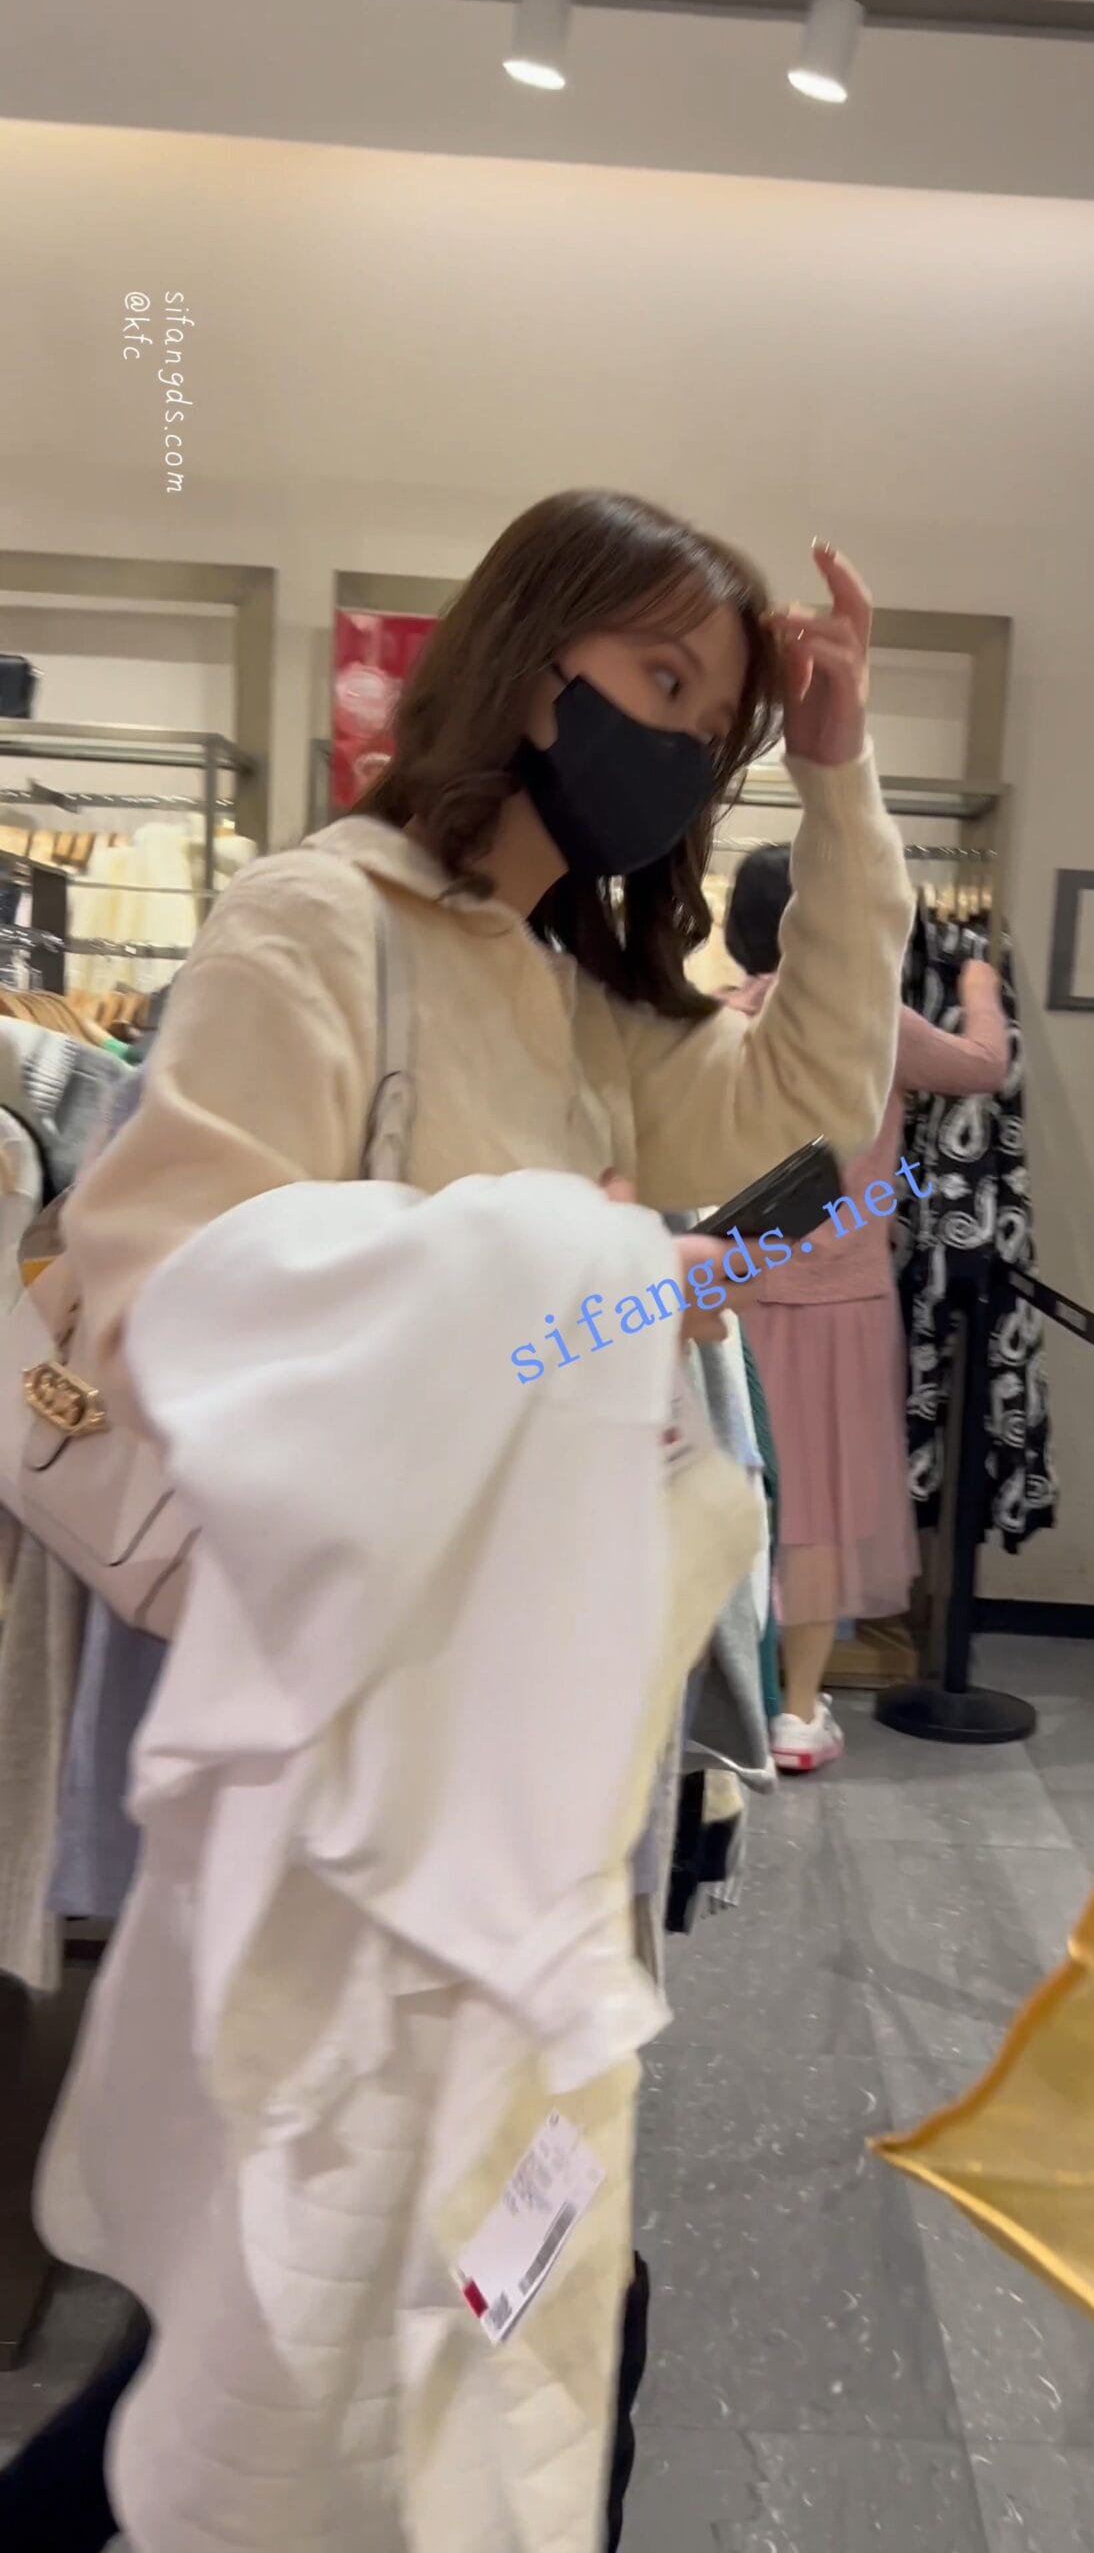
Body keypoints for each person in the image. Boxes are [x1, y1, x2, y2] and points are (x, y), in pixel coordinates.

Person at [0, 491, 916, 2550]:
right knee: (373, 2337)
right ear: (528, 657)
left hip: (506, 1774)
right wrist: (569, 1280)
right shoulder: (315, 924)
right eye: (658, 680)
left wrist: (842, 779)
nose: (679, 746)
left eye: (715, 726)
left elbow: (812, 1101)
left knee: (428, 2325)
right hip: (350, 1778)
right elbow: (163, 1296)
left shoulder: (563, 987)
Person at [721, 846, 1008, 1773]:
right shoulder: (872, 1019)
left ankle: (727, 1694)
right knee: (818, 1507)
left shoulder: (721, 1021)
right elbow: (982, 1067)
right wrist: (978, 985)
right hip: (843, 1296)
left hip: (731, 1294)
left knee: (730, 1495)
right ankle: (799, 1713)